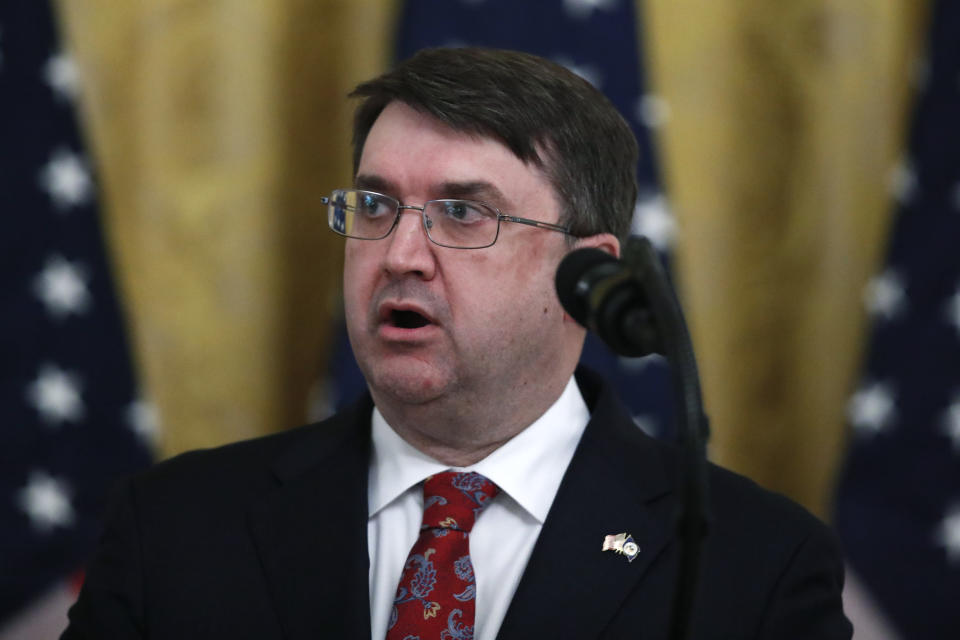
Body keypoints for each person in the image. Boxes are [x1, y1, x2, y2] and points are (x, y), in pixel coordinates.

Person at [63, 47, 852, 639]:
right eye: (374, 205)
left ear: (587, 274)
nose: (400, 253)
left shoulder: (754, 569)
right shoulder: (175, 527)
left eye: (464, 213)